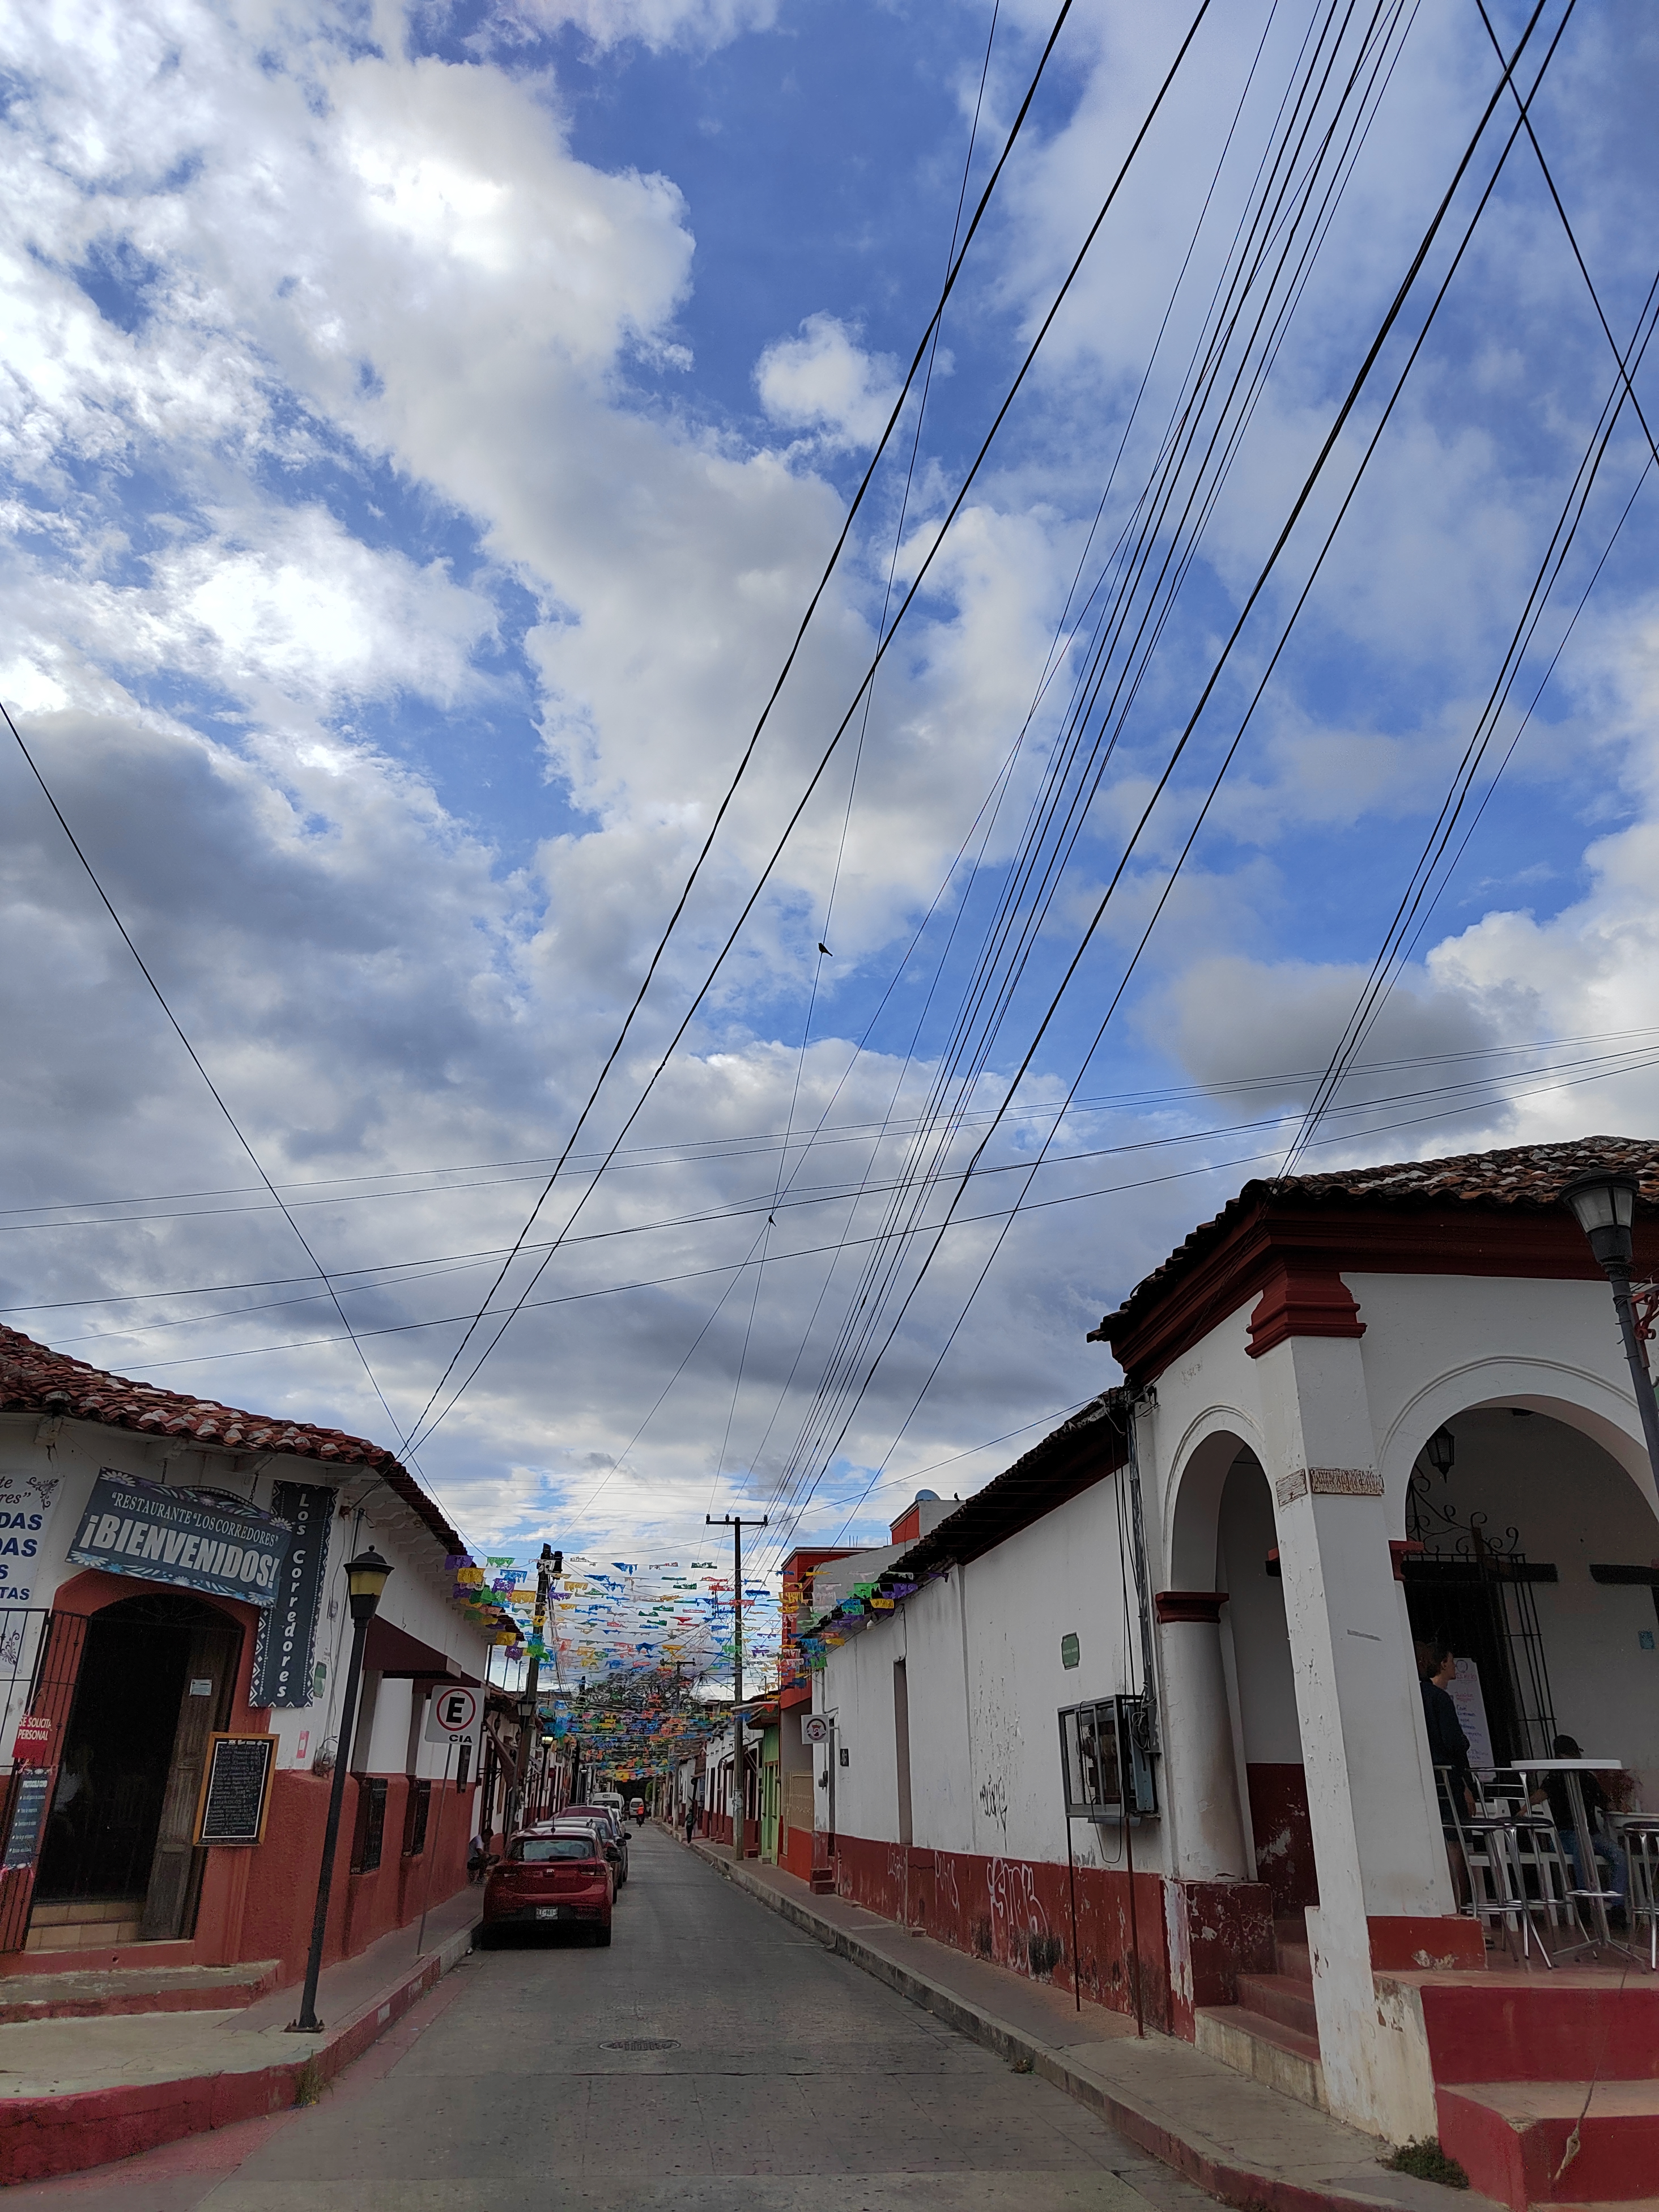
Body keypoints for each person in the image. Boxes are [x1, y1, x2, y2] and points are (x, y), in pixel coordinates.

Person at [1533, 1733, 1627, 1915]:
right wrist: (1524, 1808)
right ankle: (1586, 1900)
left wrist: (1619, 1805)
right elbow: (1539, 1797)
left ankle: (1617, 1906)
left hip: (1592, 1834)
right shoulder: (1554, 1778)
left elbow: (1604, 1802)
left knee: (1618, 1855)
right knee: (1582, 1845)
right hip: (1566, 1835)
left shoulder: (1587, 1778)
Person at [1420, 1638, 1475, 1905]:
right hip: (1447, 1781)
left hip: (1425, 1780)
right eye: (1452, 1661)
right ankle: (1459, 1907)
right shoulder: (1440, 1698)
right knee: (1455, 1842)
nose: (1456, 1667)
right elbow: (1454, 1743)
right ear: (1442, 1664)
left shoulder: (1416, 1695)